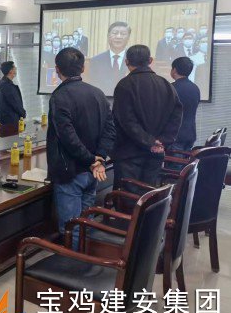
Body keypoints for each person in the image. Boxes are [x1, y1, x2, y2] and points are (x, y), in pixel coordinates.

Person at [46, 48, 116, 250]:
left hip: (71, 172)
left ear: (57, 69)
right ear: (83, 68)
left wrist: (92, 159)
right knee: (86, 223)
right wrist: (99, 157)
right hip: (92, 172)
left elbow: (67, 137)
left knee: (71, 228)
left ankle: (73, 266)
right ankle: (85, 260)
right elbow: (110, 130)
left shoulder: (59, 96)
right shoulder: (98, 93)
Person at [111, 45, 183, 187]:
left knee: (126, 196)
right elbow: (176, 116)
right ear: (150, 60)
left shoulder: (124, 85)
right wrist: (162, 141)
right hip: (156, 153)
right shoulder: (166, 84)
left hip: (129, 154)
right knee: (149, 194)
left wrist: (150, 141)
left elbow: (126, 121)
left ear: (126, 62)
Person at [87, 21, 131, 95]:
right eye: (115, 33)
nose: (118, 36)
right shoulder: (96, 60)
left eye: (123, 34)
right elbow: (93, 85)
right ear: (108, 36)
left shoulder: (134, 60)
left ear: (128, 38)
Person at [171, 57, 200, 151]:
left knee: (174, 160)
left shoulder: (171, 88)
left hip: (175, 135)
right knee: (186, 160)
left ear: (174, 70)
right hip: (190, 133)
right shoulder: (195, 88)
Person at [0, 61, 26, 126]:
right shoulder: (7, 86)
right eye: (14, 67)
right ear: (10, 71)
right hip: (11, 121)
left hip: (7, 120)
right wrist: (23, 113)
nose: (16, 69)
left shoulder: (4, 84)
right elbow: (15, 104)